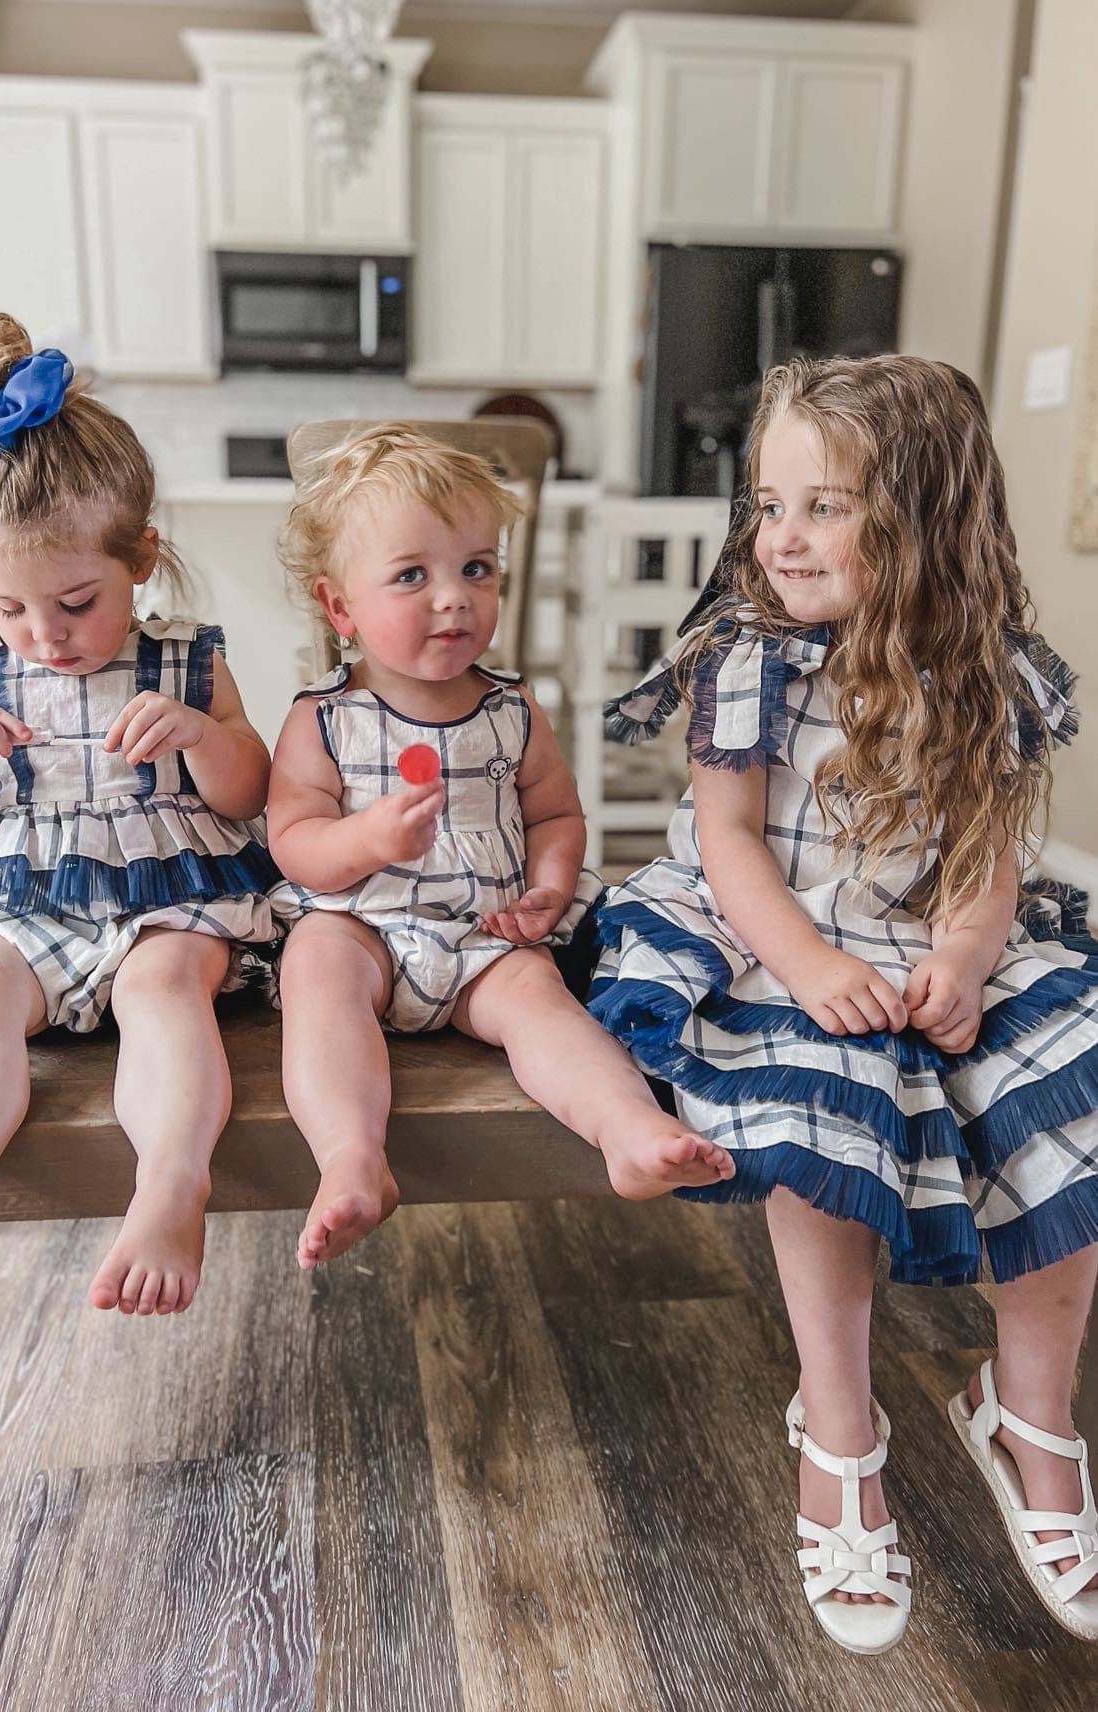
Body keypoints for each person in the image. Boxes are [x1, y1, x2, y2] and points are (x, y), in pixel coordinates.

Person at [591, 356, 1098, 1651]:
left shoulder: (983, 662)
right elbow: (730, 836)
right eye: (770, 505)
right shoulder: (750, 660)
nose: (782, 537)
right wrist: (814, 969)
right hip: (776, 930)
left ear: (924, 516)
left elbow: (987, 843)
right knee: (834, 1102)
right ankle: (839, 1423)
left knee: (1073, 1087)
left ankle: (1031, 1415)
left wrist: (974, 950)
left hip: (931, 930)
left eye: (824, 506)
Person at [0, 314, 280, 1348]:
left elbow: (246, 790)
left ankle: (171, 1186)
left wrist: (198, 731)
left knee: (163, 985)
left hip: (167, 884)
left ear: (141, 557)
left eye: (75, 601)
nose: (44, 634)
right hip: (26, 889)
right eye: (11, 605)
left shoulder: (186, 660)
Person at [266, 424, 734, 1270]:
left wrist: (548, 887)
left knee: (543, 1003)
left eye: (476, 568)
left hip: (489, 934)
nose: (454, 597)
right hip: (363, 926)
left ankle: (625, 1127)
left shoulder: (512, 711)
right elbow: (294, 844)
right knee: (316, 974)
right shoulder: (326, 716)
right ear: (341, 608)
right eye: (413, 576)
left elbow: (555, 814)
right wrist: (367, 837)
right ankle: (351, 1157)